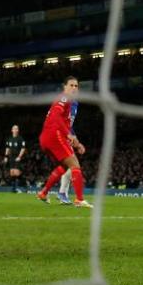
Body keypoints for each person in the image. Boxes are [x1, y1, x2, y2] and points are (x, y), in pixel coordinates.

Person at [36, 77, 92, 208]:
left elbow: (67, 124)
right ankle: (79, 199)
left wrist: (76, 141)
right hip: (55, 135)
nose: (74, 88)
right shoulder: (64, 97)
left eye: (76, 86)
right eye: (71, 85)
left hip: (48, 137)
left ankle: (43, 193)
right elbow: (56, 116)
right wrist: (68, 134)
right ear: (64, 87)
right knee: (75, 164)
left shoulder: (73, 102)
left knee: (64, 166)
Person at [56, 98, 80, 205]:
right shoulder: (64, 102)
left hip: (65, 136)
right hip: (60, 136)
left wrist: (73, 135)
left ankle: (62, 195)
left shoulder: (75, 104)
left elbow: (69, 124)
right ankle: (62, 193)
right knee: (74, 166)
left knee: (69, 168)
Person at [3, 125, 27, 193]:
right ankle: (14, 189)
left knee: (16, 173)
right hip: (11, 157)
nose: (15, 130)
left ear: (18, 130)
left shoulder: (20, 139)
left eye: (17, 128)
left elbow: (23, 148)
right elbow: (7, 148)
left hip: (17, 157)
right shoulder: (9, 139)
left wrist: (19, 156)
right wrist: (6, 157)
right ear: (12, 130)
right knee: (12, 173)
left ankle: (24, 185)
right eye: (14, 128)